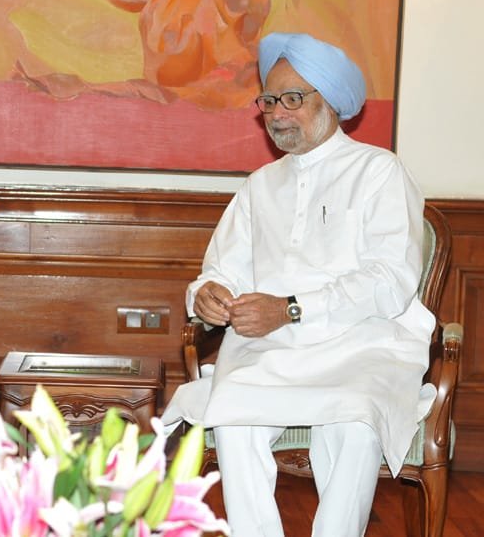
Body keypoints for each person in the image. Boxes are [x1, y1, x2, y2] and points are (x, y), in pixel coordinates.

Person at [161, 32, 436, 537]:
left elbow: (390, 280)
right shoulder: (260, 186)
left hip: (362, 343)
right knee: (233, 415)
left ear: (331, 103)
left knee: (352, 423)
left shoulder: (379, 172)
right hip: (271, 348)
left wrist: (290, 307)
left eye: (293, 98)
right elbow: (221, 268)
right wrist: (206, 296)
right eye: (269, 99)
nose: (277, 111)